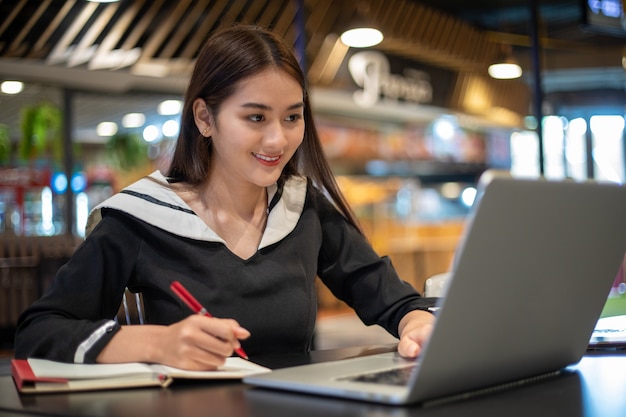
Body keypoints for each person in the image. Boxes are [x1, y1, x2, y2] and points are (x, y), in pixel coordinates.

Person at [15, 25, 435, 371]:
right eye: (255, 117)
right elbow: (39, 333)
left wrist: (415, 322)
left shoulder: (302, 207)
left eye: (292, 116)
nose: (278, 138)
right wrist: (155, 344)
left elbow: (392, 299)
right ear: (204, 118)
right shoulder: (140, 217)